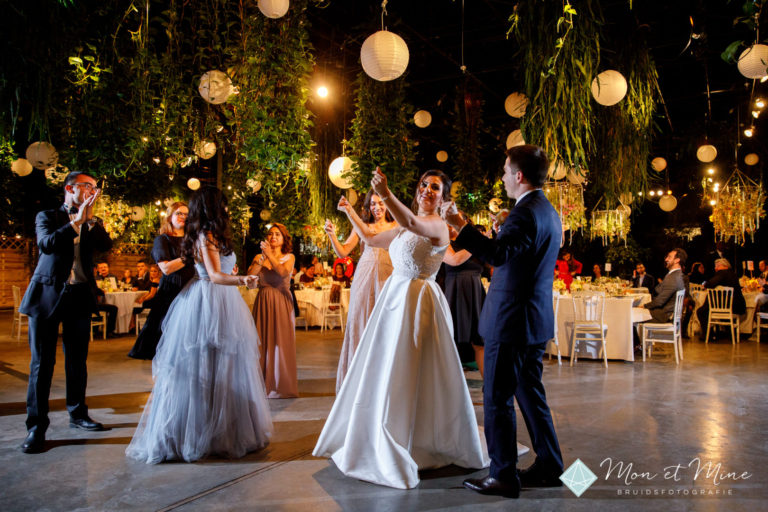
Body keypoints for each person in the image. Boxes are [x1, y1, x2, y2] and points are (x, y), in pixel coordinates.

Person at [313, 168, 488, 489]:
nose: (426, 190)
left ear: (444, 197)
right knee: (386, 365)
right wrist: (350, 211)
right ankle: (385, 426)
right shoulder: (402, 227)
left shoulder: (437, 225)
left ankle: (414, 435)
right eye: (423, 184)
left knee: (413, 367)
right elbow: (368, 238)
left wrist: (385, 191)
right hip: (393, 298)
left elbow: (411, 223)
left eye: (434, 187)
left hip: (419, 301)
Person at [444, 145, 563, 499]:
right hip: (533, 321)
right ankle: (550, 465)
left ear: (519, 176)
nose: (503, 177)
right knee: (530, 395)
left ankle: (503, 476)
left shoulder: (525, 214)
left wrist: (461, 226)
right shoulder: (545, 210)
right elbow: (514, 252)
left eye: (505, 171)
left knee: (497, 398)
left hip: (511, 322)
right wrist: (500, 228)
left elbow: (496, 255)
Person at [126, 187, 271, 463]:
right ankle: (194, 432)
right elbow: (215, 276)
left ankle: (222, 431)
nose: (227, 211)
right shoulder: (205, 235)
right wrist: (243, 281)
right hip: (206, 301)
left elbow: (222, 271)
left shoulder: (215, 236)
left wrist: (239, 273)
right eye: (223, 206)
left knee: (225, 366)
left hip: (224, 303)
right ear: (213, 209)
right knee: (201, 364)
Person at [18, 171, 112, 453]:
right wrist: (75, 222)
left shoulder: (93, 220)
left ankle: (78, 414)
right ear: (71, 188)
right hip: (47, 295)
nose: (93, 191)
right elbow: (46, 244)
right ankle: (36, 427)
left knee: (77, 361)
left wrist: (90, 220)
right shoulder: (47, 216)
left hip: (79, 296)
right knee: (41, 364)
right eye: (88, 186)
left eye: (95, 188)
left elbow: (106, 247)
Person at [325, 190, 397, 393]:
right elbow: (343, 251)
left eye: (381, 203)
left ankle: (384, 379)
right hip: (365, 276)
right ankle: (358, 380)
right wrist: (331, 235)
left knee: (385, 323)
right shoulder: (363, 226)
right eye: (373, 204)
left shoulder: (396, 225)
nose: (377, 208)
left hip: (388, 275)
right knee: (361, 322)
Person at [128, 202, 195, 360]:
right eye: (179, 213)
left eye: (186, 214)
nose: (183, 217)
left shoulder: (192, 240)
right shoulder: (162, 240)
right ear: (170, 216)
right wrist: (189, 257)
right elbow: (166, 268)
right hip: (171, 289)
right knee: (164, 328)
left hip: (191, 287)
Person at [249, 223, 298, 399]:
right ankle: (260, 383)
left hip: (280, 301)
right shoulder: (259, 256)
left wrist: (270, 255)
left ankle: (279, 385)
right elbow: (250, 278)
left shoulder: (289, 257)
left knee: (280, 341)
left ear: (283, 238)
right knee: (261, 341)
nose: (273, 237)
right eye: (270, 234)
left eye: (277, 234)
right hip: (262, 300)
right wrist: (260, 260)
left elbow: (284, 273)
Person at [443, 220, 486, 374]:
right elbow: (455, 260)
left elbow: (489, 266)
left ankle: (488, 386)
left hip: (476, 291)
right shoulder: (443, 242)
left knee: (480, 340)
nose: (451, 225)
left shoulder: (471, 243)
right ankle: (449, 385)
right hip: (455, 291)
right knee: (451, 339)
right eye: (447, 223)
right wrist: (478, 243)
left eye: (453, 221)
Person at [696, 258, 746, 341]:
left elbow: (711, 283)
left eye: (717, 266)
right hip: (738, 304)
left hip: (728, 306)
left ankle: (707, 334)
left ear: (723, 266)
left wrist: (705, 285)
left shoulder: (722, 273)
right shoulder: (733, 274)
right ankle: (720, 333)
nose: (715, 268)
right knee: (707, 308)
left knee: (701, 311)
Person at [643, 249, 688, 323]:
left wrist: (644, 306)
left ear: (677, 260)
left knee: (630, 315)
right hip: (664, 314)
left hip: (663, 316)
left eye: (669, 257)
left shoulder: (674, 278)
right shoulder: (674, 275)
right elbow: (658, 289)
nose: (666, 259)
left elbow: (659, 301)